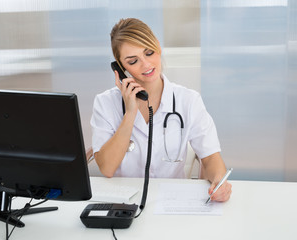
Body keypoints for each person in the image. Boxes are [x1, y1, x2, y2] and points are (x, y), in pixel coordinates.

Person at [90, 18, 231, 202]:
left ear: (157, 46)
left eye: (149, 52)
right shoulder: (105, 103)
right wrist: (130, 113)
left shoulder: (188, 100)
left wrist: (219, 182)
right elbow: (107, 168)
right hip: (124, 204)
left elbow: (211, 157)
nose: (146, 64)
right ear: (120, 67)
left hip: (172, 203)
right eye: (133, 61)